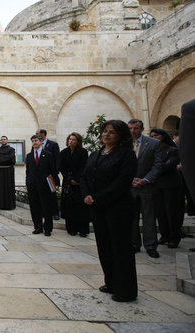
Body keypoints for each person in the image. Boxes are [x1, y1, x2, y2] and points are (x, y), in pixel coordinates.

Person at [81, 119, 138, 303]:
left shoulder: (126, 155)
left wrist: (97, 197)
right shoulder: (96, 154)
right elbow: (85, 176)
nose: (106, 134)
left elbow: (122, 182)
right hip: (98, 207)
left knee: (120, 247)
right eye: (105, 131)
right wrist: (86, 195)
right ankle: (111, 282)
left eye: (111, 132)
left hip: (117, 206)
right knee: (104, 245)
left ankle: (126, 289)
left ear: (120, 135)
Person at [128, 119, 163, 258]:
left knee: (149, 217)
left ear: (142, 129)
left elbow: (158, 165)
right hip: (130, 187)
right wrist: (130, 179)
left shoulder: (154, 143)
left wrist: (146, 179)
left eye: (136, 128)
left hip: (147, 186)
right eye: (130, 128)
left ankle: (150, 245)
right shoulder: (124, 144)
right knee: (132, 217)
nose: (133, 131)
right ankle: (134, 244)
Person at [150, 128, 182, 248]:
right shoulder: (153, 151)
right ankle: (165, 235)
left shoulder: (172, 150)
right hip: (157, 184)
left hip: (170, 184)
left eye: (156, 135)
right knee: (160, 211)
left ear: (162, 136)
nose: (154, 138)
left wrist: (155, 168)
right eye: (152, 136)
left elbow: (169, 165)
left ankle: (174, 237)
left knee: (172, 211)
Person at [25, 135, 60, 236]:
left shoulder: (48, 155)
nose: (34, 143)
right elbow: (28, 172)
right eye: (32, 141)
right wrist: (28, 182)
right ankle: (38, 227)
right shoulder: (29, 156)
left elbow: (53, 170)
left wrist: (56, 183)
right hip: (33, 185)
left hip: (44, 186)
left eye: (36, 141)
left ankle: (48, 228)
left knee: (46, 208)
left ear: (41, 142)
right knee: (35, 208)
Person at [58, 132, 89, 236]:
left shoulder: (83, 152)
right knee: (69, 206)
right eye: (70, 139)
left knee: (80, 207)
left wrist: (76, 179)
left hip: (79, 183)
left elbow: (84, 167)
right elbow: (61, 167)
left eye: (73, 140)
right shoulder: (64, 152)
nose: (71, 141)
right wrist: (69, 178)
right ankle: (71, 229)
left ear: (78, 141)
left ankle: (83, 230)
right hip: (68, 183)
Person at [36, 129, 61, 220]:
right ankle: (44, 212)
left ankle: (55, 213)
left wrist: (55, 171)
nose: (36, 135)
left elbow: (57, 159)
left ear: (43, 134)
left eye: (37, 134)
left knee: (52, 194)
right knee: (42, 195)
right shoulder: (36, 145)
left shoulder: (53, 144)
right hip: (40, 176)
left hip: (50, 175)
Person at [0, 136, 16, 210]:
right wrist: (6, 158)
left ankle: (10, 205)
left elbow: (12, 159)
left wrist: (1, 158)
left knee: (9, 187)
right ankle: (1, 204)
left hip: (9, 170)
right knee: (1, 187)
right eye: (2, 140)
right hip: (0, 171)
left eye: (4, 139)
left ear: (7, 140)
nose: (3, 141)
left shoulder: (12, 149)